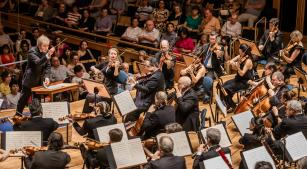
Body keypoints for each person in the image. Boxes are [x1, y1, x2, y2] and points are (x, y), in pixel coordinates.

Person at [16, 35, 55, 115]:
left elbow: (48, 66)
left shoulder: (45, 52)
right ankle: (17, 115)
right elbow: (38, 63)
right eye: (44, 46)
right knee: (23, 100)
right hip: (30, 80)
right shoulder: (32, 52)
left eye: (48, 46)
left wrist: (47, 77)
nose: (47, 48)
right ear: (39, 45)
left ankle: (35, 117)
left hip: (39, 80)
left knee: (37, 100)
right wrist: (47, 56)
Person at [125, 58, 165, 122]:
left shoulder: (156, 76)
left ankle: (128, 126)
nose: (144, 68)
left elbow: (146, 89)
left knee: (131, 113)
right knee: (131, 102)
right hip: (149, 98)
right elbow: (147, 79)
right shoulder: (157, 73)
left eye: (146, 66)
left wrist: (134, 85)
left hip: (148, 102)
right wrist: (137, 82)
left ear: (154, 66)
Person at [201, 32, 224, 103]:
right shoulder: (205, 46)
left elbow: (220, 57)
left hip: (213, 69)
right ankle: (198, 92)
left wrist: (218, 53)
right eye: (210, 39)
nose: (212, 41)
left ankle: (207, 96)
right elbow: (200, 55)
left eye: (213, 39)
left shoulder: (220, 48)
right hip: (204, 67)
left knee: (207, 79)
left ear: (216, 40)